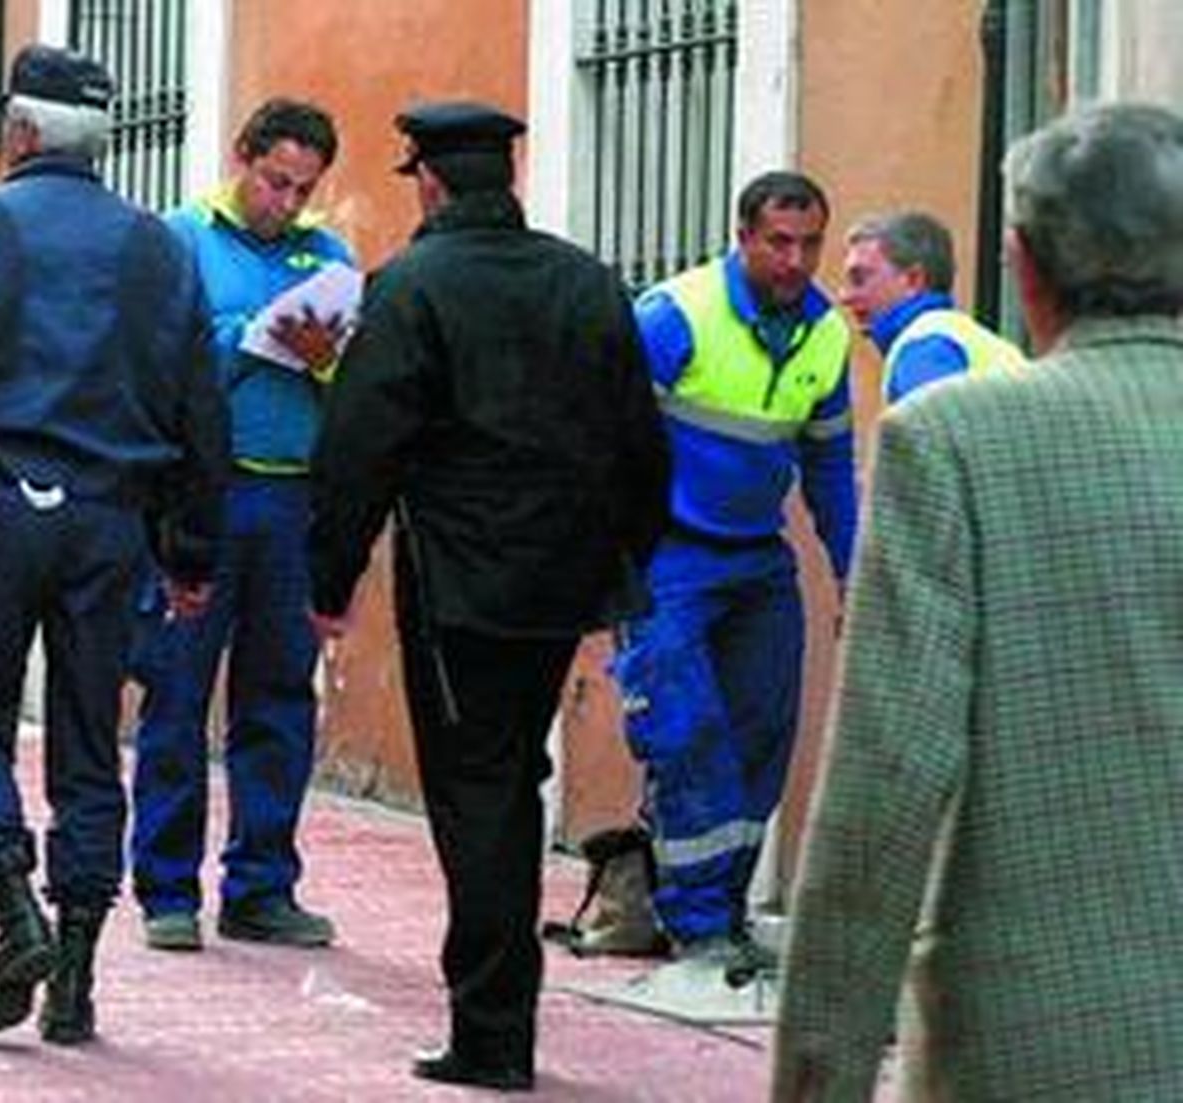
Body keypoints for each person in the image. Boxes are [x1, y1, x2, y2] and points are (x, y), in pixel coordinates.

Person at [773, 102, 1183, 1101]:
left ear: (1021, 262)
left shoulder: (955, 440)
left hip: (1043, 1037)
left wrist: (819, 1073)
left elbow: (887, 784)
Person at [308, 100, 671, 1092]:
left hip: (459, 576)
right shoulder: (586, 279)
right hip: (565, 578)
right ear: (503, 177)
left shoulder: (411, 285)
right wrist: (625, 557)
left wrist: (327, 578)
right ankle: (496, 1016)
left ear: (426, 178)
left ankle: (492, 1027)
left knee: (480, 793)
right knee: (511, 771)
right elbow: (641, 438)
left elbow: (359, 445)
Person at [0, 44, 227, 1045]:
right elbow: (202, 411)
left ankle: (8, 897)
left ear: (18, 133)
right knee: (86, 744)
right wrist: (190, 550)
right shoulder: (160, 249)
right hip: (112, 518)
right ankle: (73, 971)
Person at [611, 171, 858, 973]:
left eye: (809, 244)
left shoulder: (826, 335)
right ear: (743, 236)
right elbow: (606, 440)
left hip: (757, 561)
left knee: (762, 732)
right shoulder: (673, 315)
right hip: (668, 558)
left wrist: (854, 571)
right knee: (685, 733)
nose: (795, 260)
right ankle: (693, 919)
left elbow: (828, 467)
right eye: (778, 242)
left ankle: (725, 908)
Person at [128, 98, 353, 952]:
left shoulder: (327, 254)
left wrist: (329, 358)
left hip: (294, 500)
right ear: (241, 161)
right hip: (206, 499)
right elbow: (157, 360)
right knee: (178, 690)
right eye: (274, 181)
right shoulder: (181, 241)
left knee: (279, 697)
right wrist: (249, 340)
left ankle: (263, 883)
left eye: (302, 188)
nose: (286, 202)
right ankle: (166, 888)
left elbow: (350, 376)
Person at [840, 209, 1026, 403]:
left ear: (913, 280)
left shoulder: (923, 349)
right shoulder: (971, 339)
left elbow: (940, 431)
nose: (844, 296)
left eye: (859, 279)